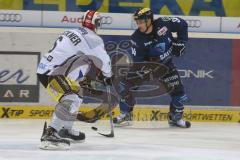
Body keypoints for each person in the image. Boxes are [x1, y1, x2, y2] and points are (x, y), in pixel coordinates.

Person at [37, 10, 113, 150]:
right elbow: (105, 61)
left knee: (78, 93)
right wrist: (108, 76)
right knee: (70, 97)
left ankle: (65, 129)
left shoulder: (72, 31)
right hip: (53, 73)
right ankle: (51, 133)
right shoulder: (93, 39)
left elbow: (72, 58)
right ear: (97, 24)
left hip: (50, 70)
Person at [113, 8, 191, 128]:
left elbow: (183, 25)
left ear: (149, 20)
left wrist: (182, 42)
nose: (139, 25)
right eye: (137, 22)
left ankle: (175, 118)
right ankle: (126, 115)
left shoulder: (164, 23)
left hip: (166, 65)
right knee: (125, 86)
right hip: (147, 68)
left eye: (141, 22)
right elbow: (138, 62)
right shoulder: (136, 38)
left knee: (179, 93)